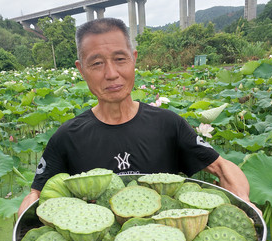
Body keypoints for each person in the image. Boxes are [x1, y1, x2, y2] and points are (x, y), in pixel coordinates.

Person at [18, 17, 255, 217]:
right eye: (97, 63)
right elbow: (36, 194)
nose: (111, 74)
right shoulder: (66, 137)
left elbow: (222, 167)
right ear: (81, 70)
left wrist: (244, 201)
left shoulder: (168, 124)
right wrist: (26, 219)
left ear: (134, 58)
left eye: (120, 59)